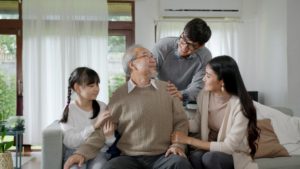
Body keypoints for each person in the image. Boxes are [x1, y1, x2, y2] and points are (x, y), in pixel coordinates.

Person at [63, 45, 193, 169]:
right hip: (130, 158)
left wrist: (178, 145)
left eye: (152, 56)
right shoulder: (119, 96)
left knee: (180, 163)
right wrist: (81, 153)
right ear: (132, 64)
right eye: (145, 55)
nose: (152, 58)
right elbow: (101, 131)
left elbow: (180, 122)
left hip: (163, 156)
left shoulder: (168, 89)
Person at [171, 56, 260, 169]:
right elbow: (197, 124)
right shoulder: (204, 95)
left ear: (222, 81)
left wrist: (188, 140)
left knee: (210, 158)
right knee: (196, 156)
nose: (203, 79)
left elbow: (229, 147)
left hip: (234, 154)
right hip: (210, 150)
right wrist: (174, 122)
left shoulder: (241, 106)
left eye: (208, 76)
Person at [60, 67, 116, 169]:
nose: (96, 88)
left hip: (98, 152)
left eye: (97, 84)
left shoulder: (103, 107)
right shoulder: (69, 110)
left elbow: (108, 142)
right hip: (74, 152)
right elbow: (70, 142)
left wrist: (109, 136)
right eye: (91, 85)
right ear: (77, 87)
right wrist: (94, 126)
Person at [152, 18, 212, 104]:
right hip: (160, 96)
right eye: (184, 40)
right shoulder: (163, 46)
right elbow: (149, 74)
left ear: (201, 46)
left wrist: (181, 95)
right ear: (182, 33)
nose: (184, 48)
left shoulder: (205, 56)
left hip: (186, 100)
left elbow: (198, 86)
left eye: (192, 46)